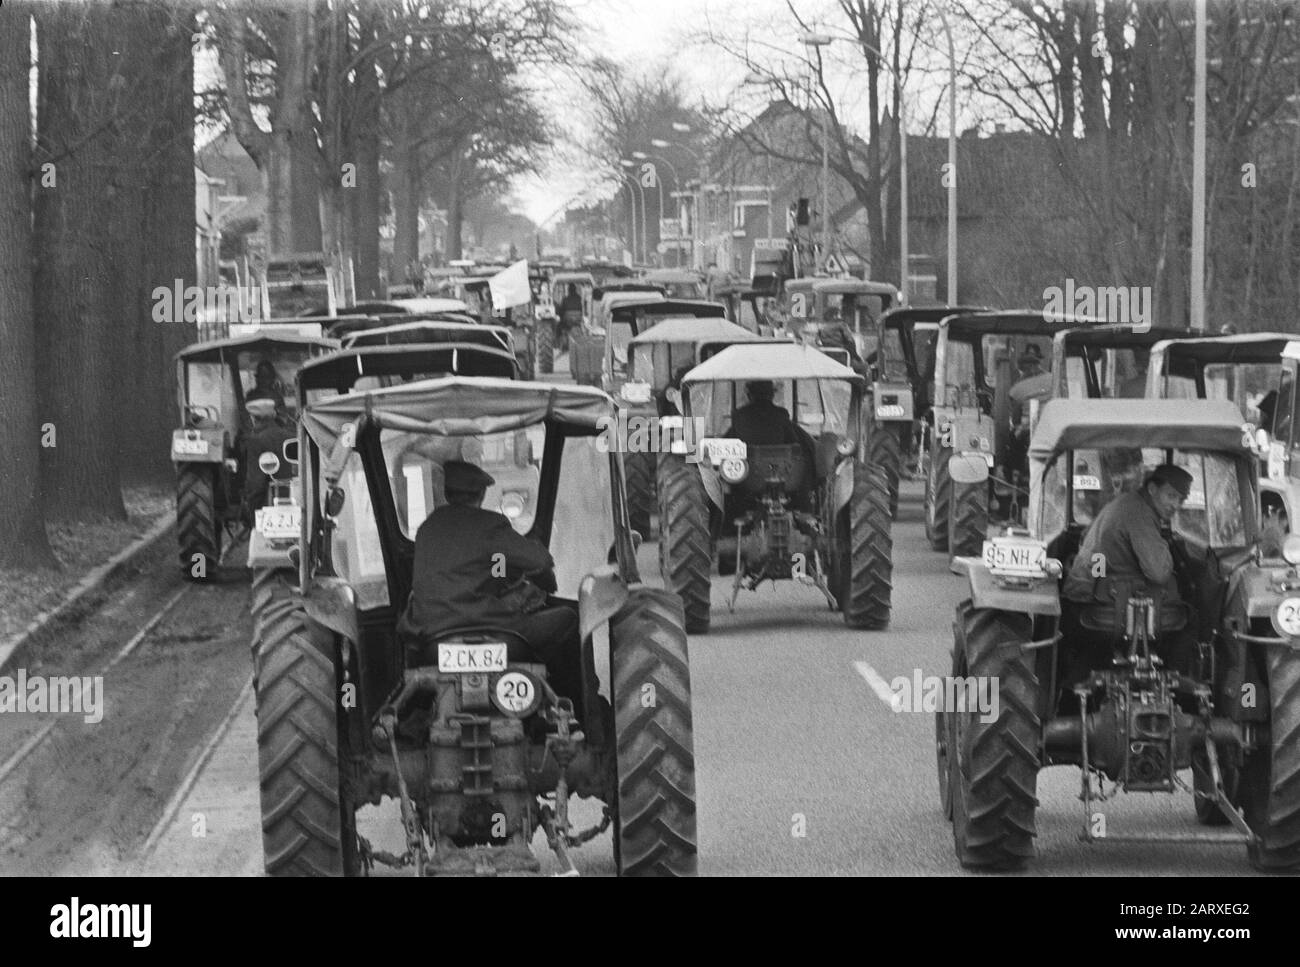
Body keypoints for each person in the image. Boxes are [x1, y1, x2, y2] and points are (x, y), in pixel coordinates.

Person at [400, 460, 589, 720]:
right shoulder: (490, 525)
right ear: (481, 494)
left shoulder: (427, 529)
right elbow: (541, 561)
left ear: (446, 494)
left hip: (432, 637)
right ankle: (574, 711)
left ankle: (413, 714)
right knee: (569, 618)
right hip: (497, 633)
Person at [1061, 463, 1198, 681]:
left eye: (1180, 499)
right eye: (1171, 495)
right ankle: (1180, 689)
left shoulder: (1125, 503)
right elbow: (1159, 572)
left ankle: (1072, 690)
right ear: (1152, 489)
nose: (1175, 505)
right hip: (1107, 604)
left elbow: (1087, 540)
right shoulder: (1139, 514)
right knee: (1193, 621)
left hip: (1086, 597)